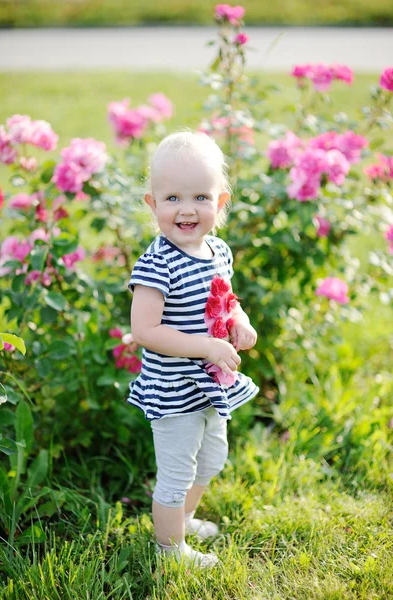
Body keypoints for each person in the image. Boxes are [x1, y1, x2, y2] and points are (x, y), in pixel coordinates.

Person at [127, 131, 259, 568]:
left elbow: (226, 298)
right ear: (153, 204)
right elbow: (144, 329)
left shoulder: (218, 250)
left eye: (201, 196)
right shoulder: (157, 263)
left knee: (211, 460)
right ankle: (170, 550)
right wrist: (204, 346)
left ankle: (183, 517)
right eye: (173, 198)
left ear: (220, 203)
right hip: (175, 389)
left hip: (212, 385)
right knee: (178, 471)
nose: (187, 209)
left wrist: (239, 321)